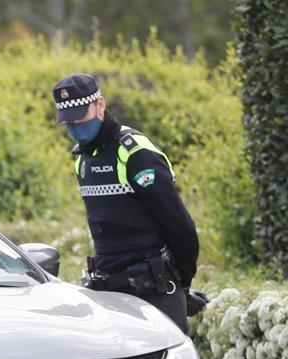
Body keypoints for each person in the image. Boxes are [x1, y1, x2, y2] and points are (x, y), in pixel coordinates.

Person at [53, 73, 204, 332]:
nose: (75, 125)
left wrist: (182, 286)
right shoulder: (83, 159)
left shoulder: (135, 153)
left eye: (81, 116)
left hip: (154, 292)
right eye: (69, 121)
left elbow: (181, 228)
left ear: (100, 104)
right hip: (109, 292)